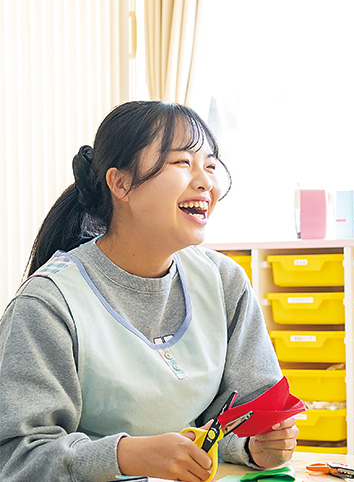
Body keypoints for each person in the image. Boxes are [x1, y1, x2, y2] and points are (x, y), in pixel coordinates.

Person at [0, 101, 298, 482]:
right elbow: (17, 459)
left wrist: (253, 444)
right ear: (120, 183)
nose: (206, 181)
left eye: (209, 164)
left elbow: (239, 415)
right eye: (181, 163)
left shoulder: (224, 281)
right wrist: (123, 456)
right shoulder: (47, 304)